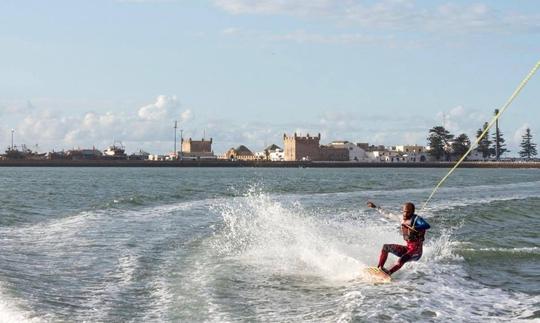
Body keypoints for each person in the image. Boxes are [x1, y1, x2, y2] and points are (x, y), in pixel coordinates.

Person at [367, 201, 430, 276]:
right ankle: (379, 268)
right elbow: (388, 214)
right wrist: (376, 207)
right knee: (386, 247)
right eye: (404, 212)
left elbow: (426, 225)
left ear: (412, 212)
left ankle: (389, 273)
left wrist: (416, 227)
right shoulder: (402, 218)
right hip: (408, 249)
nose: (405, 214)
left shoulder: (416, 219)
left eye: (408, 212)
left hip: (416, 252)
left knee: (402, 259)